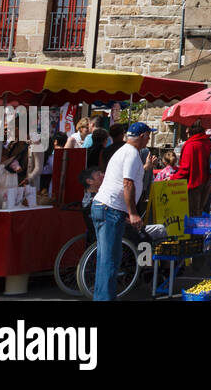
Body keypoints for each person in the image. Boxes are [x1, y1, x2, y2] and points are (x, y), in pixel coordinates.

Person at [90, 122, 152, 301]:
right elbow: (128, 183)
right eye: (148, 136)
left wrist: (126, 212)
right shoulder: (132, 153)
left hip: (108, 208)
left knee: (107, 259)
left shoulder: (126, 151)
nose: (149, 139)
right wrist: (132, 213)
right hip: (110, 209)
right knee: (109, 261)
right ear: (142, 136)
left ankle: (102, 297)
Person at [172, 123, 211, 215]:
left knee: (192, 216)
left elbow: (185, 169)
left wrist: (172, 178)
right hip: (207, 183)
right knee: (201, 214)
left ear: (190, 131)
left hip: (193, 185)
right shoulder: (209, 142)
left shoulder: (190, 145)